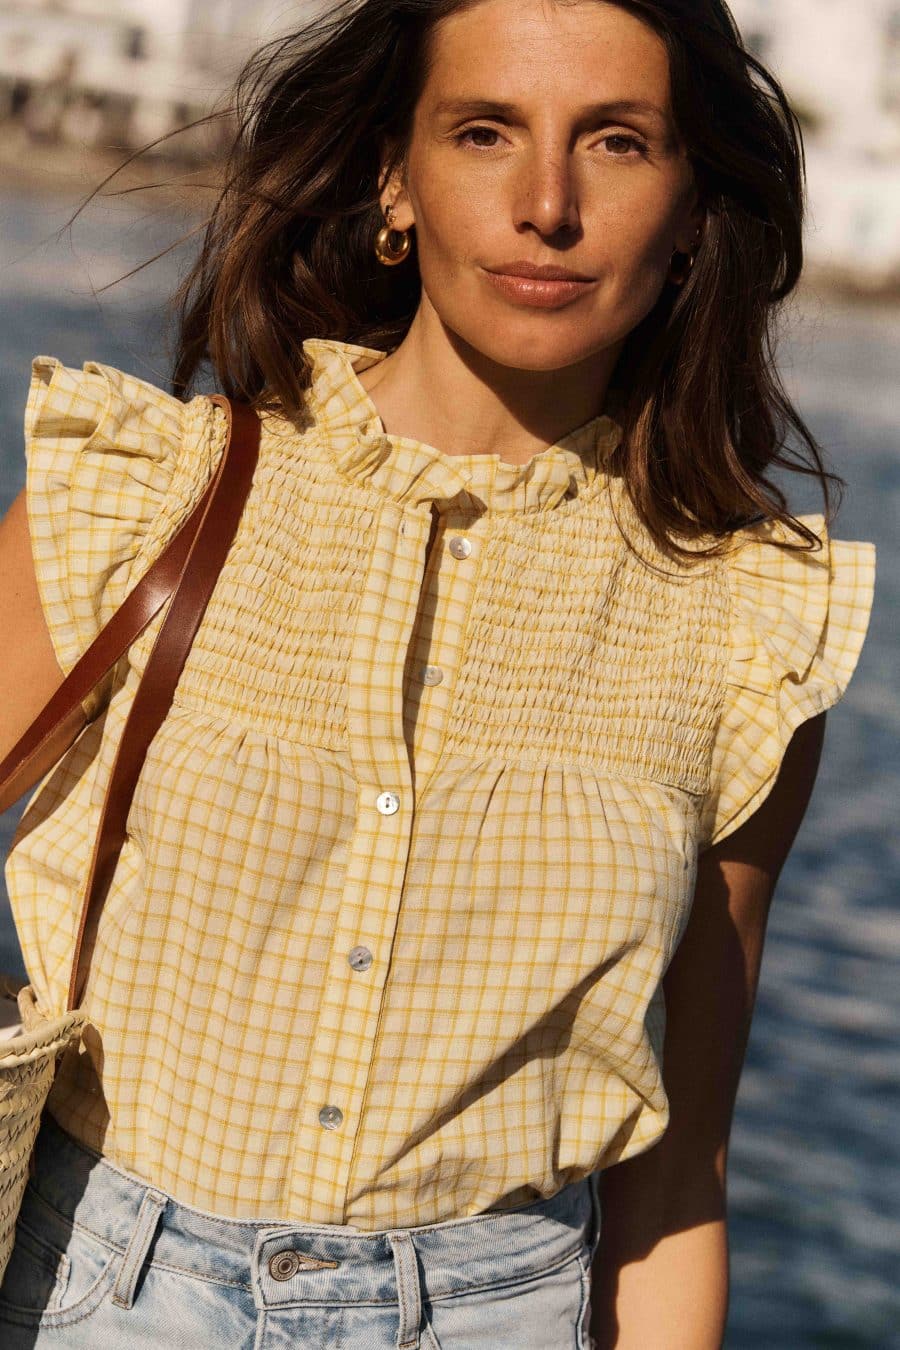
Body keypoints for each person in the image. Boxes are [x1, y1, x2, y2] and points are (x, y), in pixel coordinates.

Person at [0, 0, 877, 1346]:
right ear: (395, 176)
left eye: (620, 143)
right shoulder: (143, 498)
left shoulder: (746, 621)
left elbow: (678, 1178)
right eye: (485, 131)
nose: (547, 204)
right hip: (94, 1296)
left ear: (695, 204)